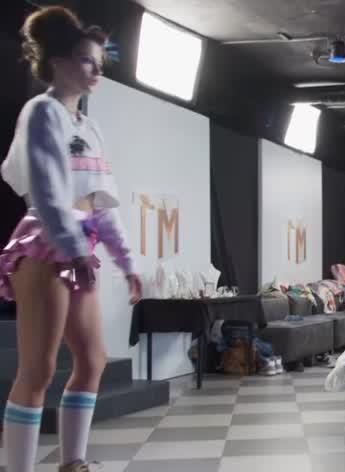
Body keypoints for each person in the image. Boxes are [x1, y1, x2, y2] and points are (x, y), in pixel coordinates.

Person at [0, 7, 141, 472]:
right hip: (45, 245)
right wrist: (75, 248)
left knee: (93, 360)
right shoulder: (41, 112)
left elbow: (102, 203)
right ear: (58, 62)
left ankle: (73, 462)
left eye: (100, 61)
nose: (96, 69)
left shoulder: (89, 126)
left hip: (80, 244)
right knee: (38, 369)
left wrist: (126, 261)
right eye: (86, 60)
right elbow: (47, 191)